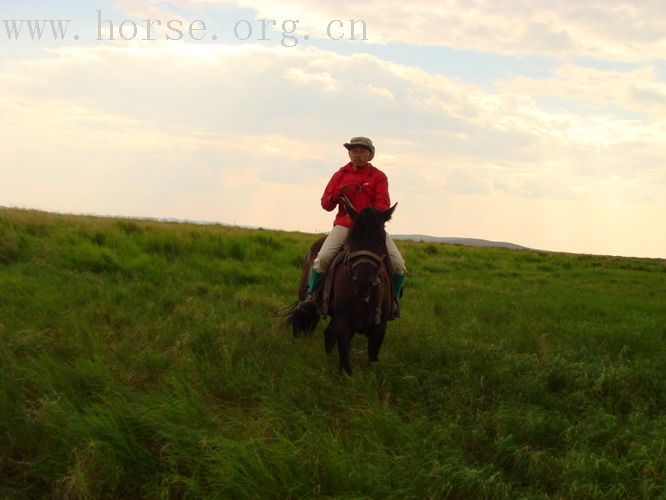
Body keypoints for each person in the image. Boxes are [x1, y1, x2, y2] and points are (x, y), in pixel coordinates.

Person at [297, 136, 406, 314]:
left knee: (398, 264)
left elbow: (383, 204)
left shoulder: (379, 177)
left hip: (371, 229)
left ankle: (392, 300)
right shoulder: (339, 175)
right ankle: (312, 296)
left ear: (370, 155)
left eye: (363, 151)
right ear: (349, 154)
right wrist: (336, 195)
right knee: (322, 259)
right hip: (344, 225)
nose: (358, 155)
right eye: (354, 151)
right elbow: (326, 204)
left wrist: (364, 217)